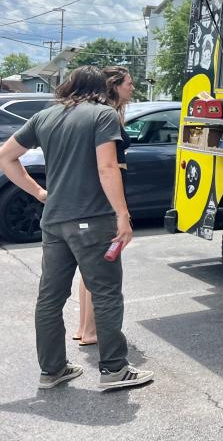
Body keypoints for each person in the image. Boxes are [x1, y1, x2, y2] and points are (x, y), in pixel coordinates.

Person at [0, 66, 153, 390]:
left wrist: (40, 193)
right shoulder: (102, 115)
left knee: (50, 298)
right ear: (100, 88)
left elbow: (6, 157)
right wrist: (122, 216)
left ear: (69, 85)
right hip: (93, 220)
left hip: (54, 221)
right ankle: (113, 369)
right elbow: (107, 166)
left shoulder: (46, 117)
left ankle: (52, 370)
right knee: (107, 293)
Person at [74, 66, 135, 348]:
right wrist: (121, 209)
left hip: (93, 196)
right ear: (114, 85)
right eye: (129, 83)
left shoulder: (103, 112)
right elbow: (109, 166)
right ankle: (89, 330)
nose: (132, 88)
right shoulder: (106, 115)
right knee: (100, 265)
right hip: (104, 198)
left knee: (90, 265)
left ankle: (83, 327)